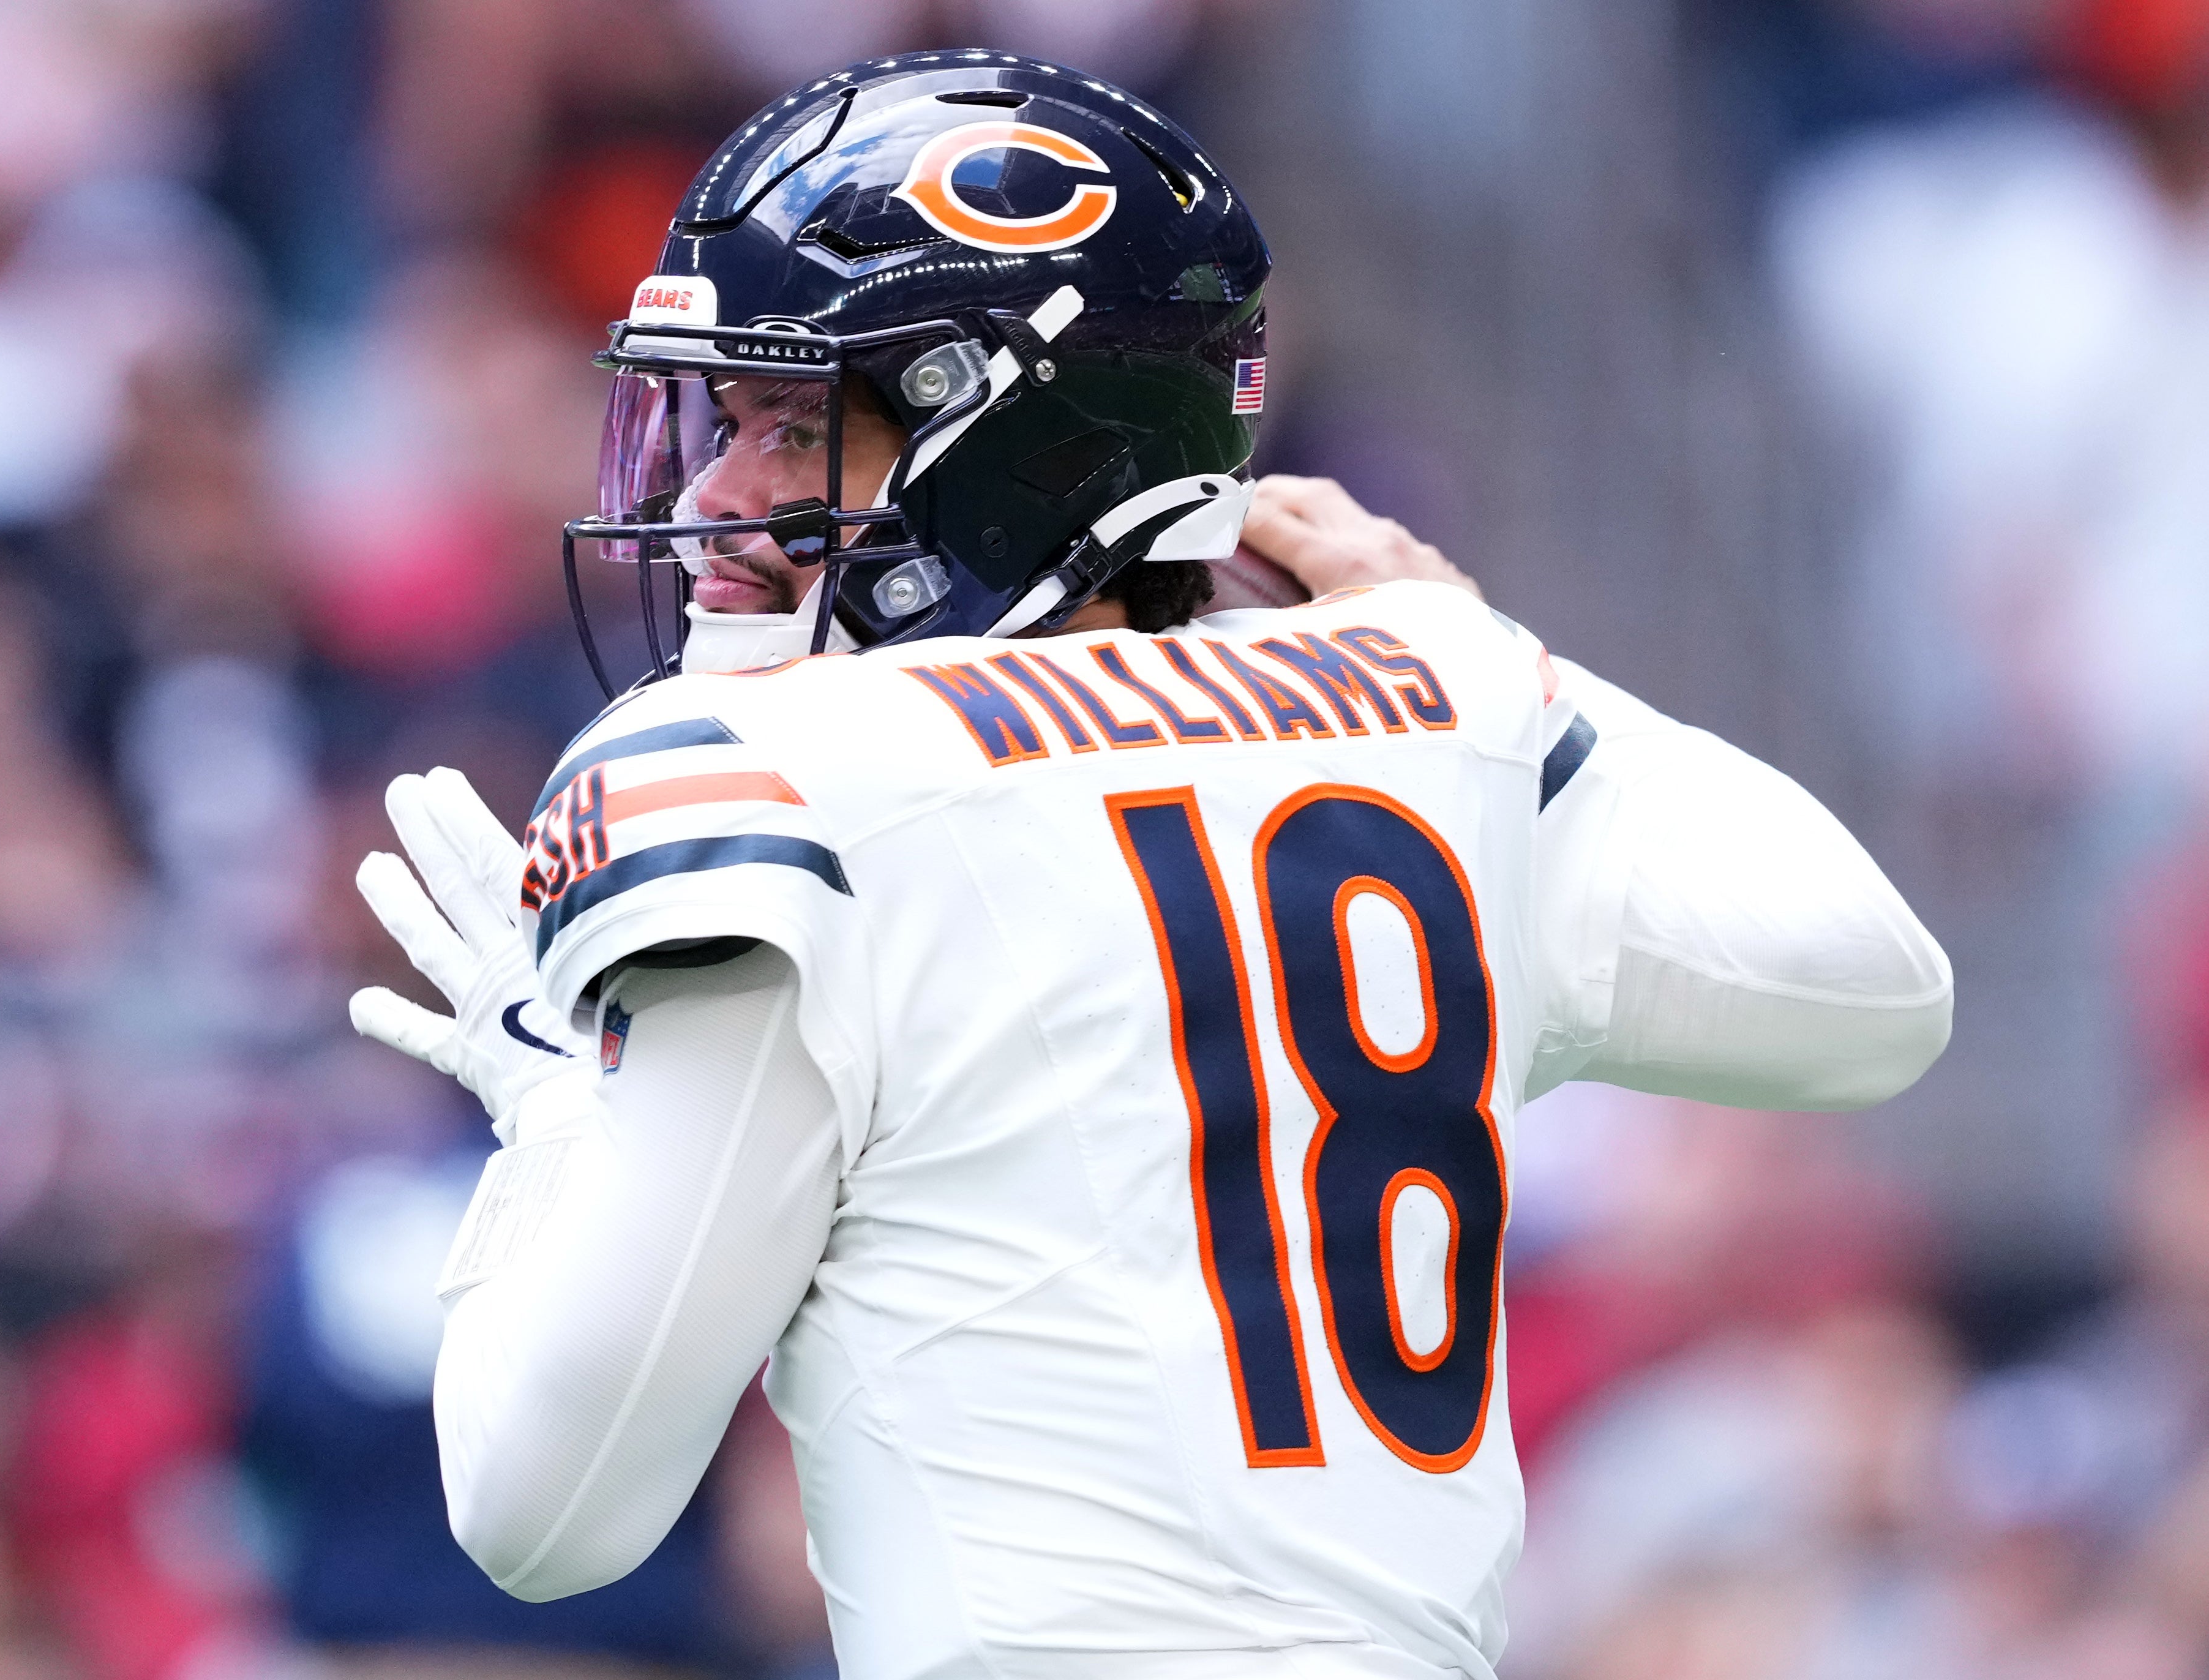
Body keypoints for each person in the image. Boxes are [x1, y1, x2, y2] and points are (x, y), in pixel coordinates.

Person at [347, 51, 1954, 1680]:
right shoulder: (1437, 719)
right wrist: (1484, 653)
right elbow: (1865, 996)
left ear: (1007, 442)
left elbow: (544, 1513)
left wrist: (558, 1110)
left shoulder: (791, 781)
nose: (712, 491)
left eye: (781, 426)